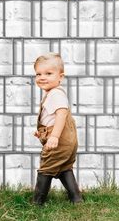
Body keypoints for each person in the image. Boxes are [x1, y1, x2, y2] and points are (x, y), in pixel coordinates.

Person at [32, 52, 83, 205]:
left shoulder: (56, 94)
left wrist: (53, 137)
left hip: (60, 140)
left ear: (60, 77)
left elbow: (61, 115)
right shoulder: (53, 93)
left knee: (46, 168)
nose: (42, 77)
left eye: (48, 73)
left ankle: (37, 202)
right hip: (67, 141)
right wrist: (43, 132)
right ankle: (76, 198)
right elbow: (51, 118)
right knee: (64, 168)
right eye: (38, 74)